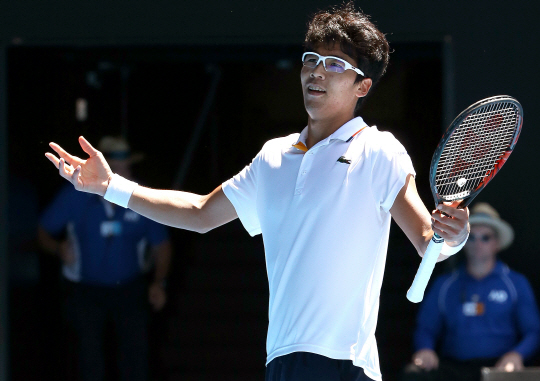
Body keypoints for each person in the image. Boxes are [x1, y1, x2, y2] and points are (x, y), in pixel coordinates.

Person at [43, 3, 469, 381]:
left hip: (345, 362)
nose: (317, 71)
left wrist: (455, 234)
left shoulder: (379, 150)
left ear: (363, 87)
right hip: (280, 360)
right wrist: (109, 186)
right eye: (311, 59)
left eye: (336, 64)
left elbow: (428, 239)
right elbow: (199, 212)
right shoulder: (272, 158)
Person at [38, 136, 172, 381]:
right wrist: (58, 248)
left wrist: (159, 282)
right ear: (101, 166)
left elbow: (161, 245)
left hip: (130, 289)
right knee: (88, 358)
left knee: (136, 357)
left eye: (128, 166)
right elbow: (43, 231)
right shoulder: (74, 194)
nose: (125, 172)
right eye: (119, 167)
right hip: (85, 290)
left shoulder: (141, 196)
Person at [404, 203, 540, 381]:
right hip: (454, 368)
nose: (478, 243)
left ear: (496, 243)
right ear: (463, 242)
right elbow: (426, 328)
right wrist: (425, 349)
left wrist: (516, 355)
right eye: (471, 237)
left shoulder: (516, 283)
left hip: (499, 368)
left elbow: (533, 331)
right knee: (413, 375)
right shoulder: (444, 284)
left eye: (485, 237)